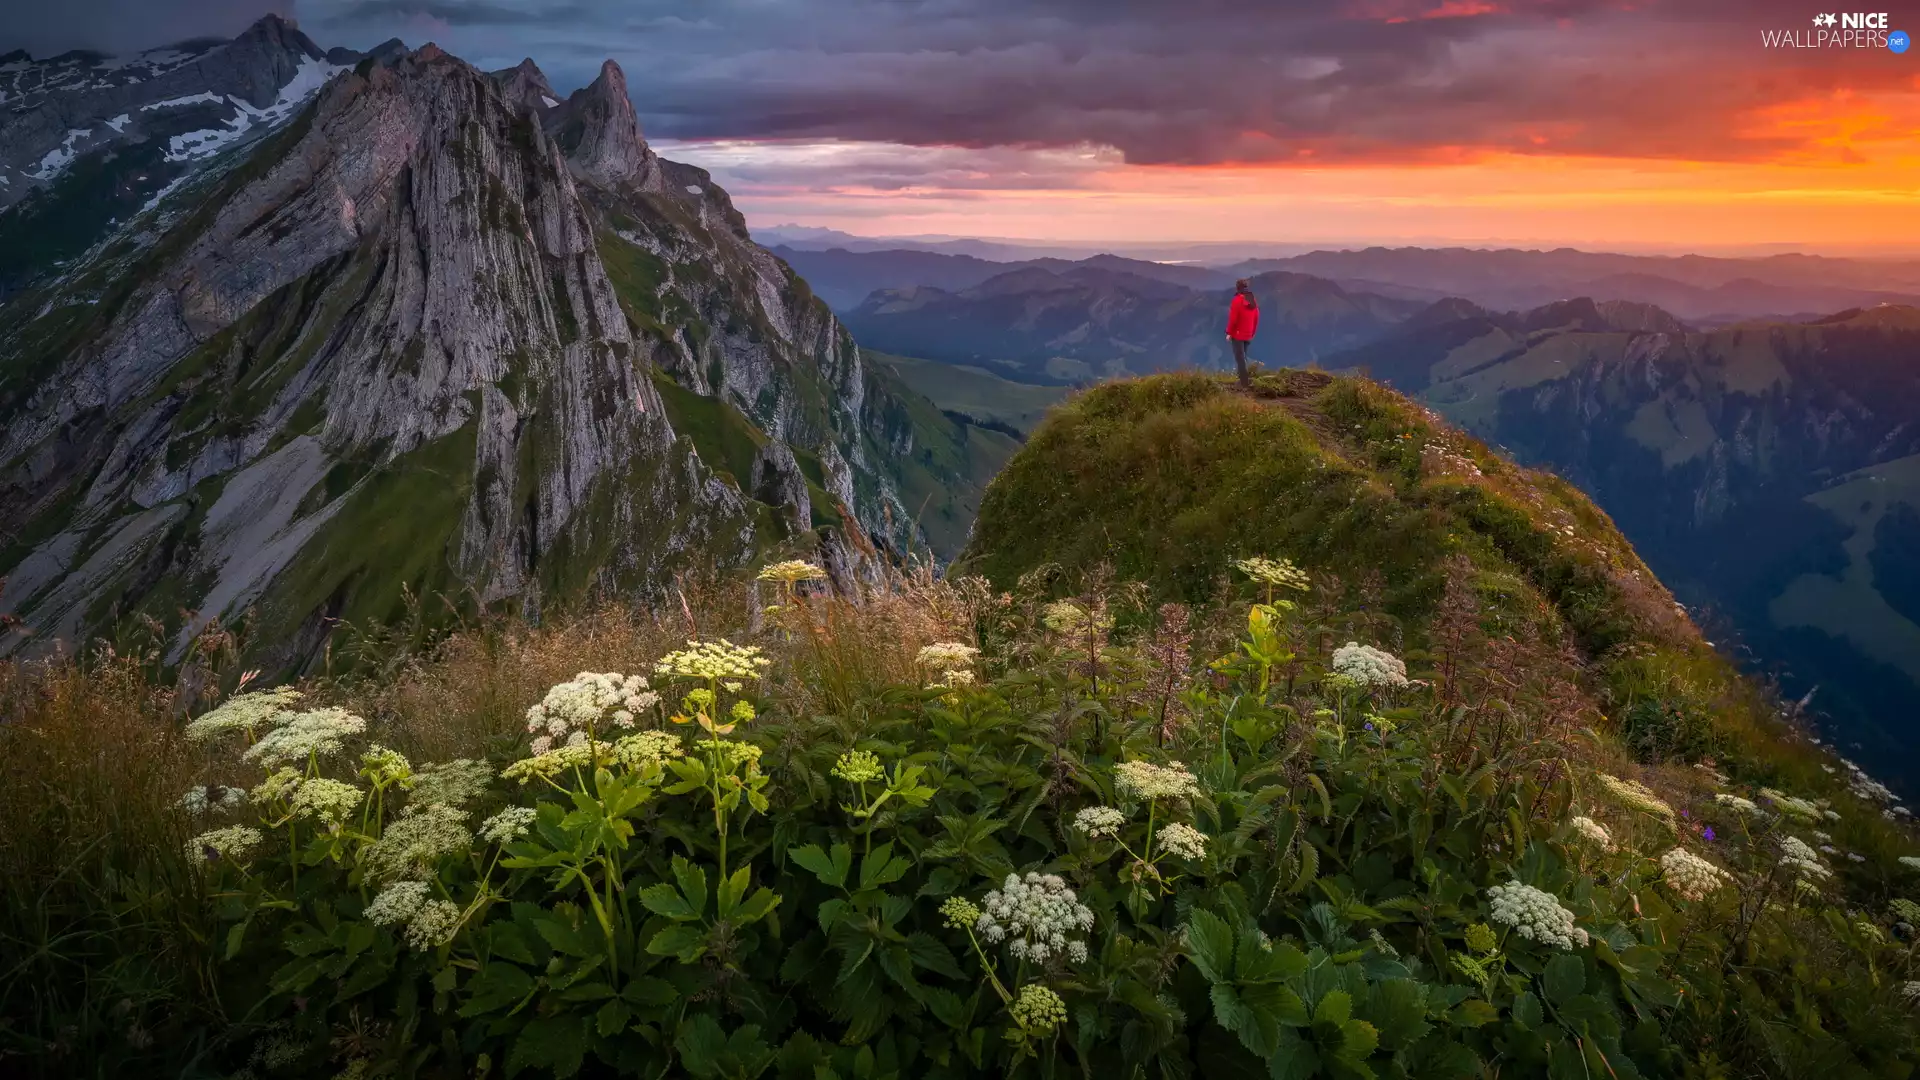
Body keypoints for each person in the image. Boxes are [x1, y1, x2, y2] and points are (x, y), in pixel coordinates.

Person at [1226, 278, 1259, 388]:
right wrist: (1252, 332)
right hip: (1248, 334)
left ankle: (1244, 383)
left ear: (1237, 287)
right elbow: (1256, 317)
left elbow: (1233, 319)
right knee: (1243, 357)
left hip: (1238, 334)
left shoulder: (1236, 300)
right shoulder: (1252, 300)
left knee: (1240, 358)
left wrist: (1229, 333)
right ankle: (1243, 379)